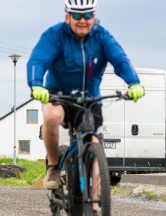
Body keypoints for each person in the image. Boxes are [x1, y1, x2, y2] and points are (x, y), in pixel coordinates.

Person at [27, 0, 145, 191]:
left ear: (94, 16)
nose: (83, 20)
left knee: (94, 144)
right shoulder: (54, 35)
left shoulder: (102, 37)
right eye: (76, 15)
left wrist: (134, 83)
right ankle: (53, 167)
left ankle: (96, 207)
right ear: (67, 17)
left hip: (89, 97)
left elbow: (121, 60)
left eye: (87, 15)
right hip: (59, 94)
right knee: (50, 116)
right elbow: (37, 60)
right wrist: (36, 84)